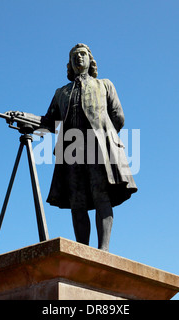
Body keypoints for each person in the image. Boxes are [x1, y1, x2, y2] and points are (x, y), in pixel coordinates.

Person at [40, 43, 137, 251]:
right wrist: (24, 118)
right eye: (74, 56)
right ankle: (82, 250)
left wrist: (105, 137)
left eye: (82, 54)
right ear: (70, 64)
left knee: (101, 195)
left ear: (90, 59)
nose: (79, 58)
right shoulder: (60, 93)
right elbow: (48, 123)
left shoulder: (104, 85)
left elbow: (118, 117)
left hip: (98, 148)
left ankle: (103, 250)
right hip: (72, 151)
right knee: (77, 202)